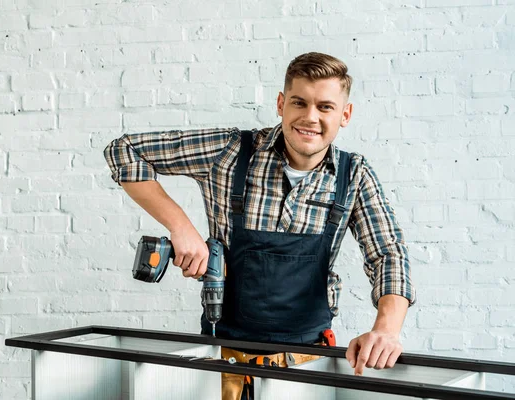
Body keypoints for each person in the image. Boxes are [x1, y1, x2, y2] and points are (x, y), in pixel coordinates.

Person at [104, 52, 416, 400]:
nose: (310, 117)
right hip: (223, 364)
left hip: (308, 365)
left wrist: (386, 329)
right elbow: (124, 150)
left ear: (345, 114)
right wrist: (181, 227)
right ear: (282, 104)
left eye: (325, 107)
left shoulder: (353, 175)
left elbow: (388, 253)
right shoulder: (232, 152)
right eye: (300, 102)